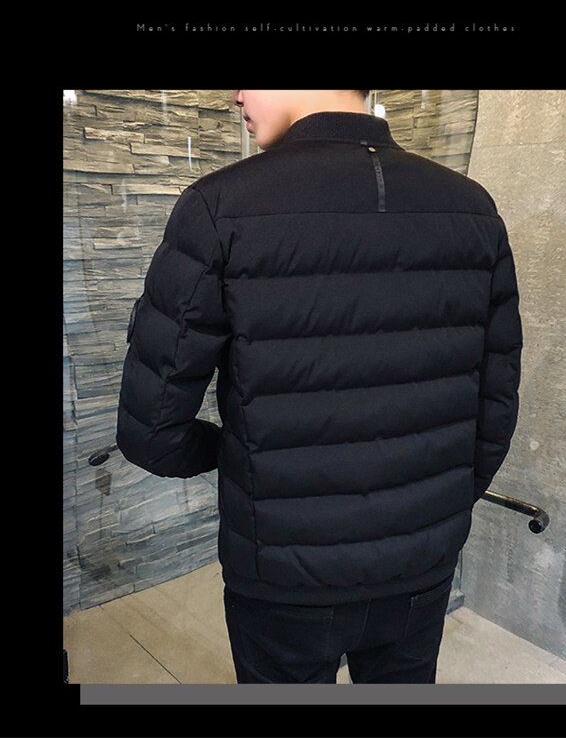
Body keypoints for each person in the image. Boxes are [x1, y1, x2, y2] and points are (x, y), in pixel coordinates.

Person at [115, 89, 523, 684]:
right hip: (421, 565)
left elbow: (150, 432)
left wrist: (237, 456)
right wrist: (435, 508)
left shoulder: (220, 206)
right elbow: (495, 410)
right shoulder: (472, 208)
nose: (236, 95)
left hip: (283, 577)